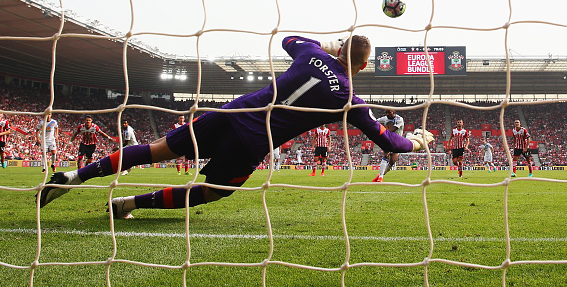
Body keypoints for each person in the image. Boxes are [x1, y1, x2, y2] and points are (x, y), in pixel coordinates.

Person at [38, 35, 433, 219]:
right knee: (209, 193)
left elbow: (290, 39)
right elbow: (387, 141)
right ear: (363, 67)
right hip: (253, 141)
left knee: (155, 150)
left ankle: (73, 176)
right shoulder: (350, 100)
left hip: (228, 113)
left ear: (340, 49)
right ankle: (128, 204)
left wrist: (328, 47)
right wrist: (418, 140)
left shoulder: (312, 54)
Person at [373, 109, 404, 182]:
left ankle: (380, 175)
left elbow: (393, 129)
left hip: (397, 141)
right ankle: (380, 178)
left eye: (389, 112)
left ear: (393, 112)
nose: (387, 114)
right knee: (386, 155)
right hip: (388, 140)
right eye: (386, 113)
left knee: (392, 162)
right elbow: (375, 122)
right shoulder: (384, 118)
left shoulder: (399, 119)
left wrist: (381, 131)